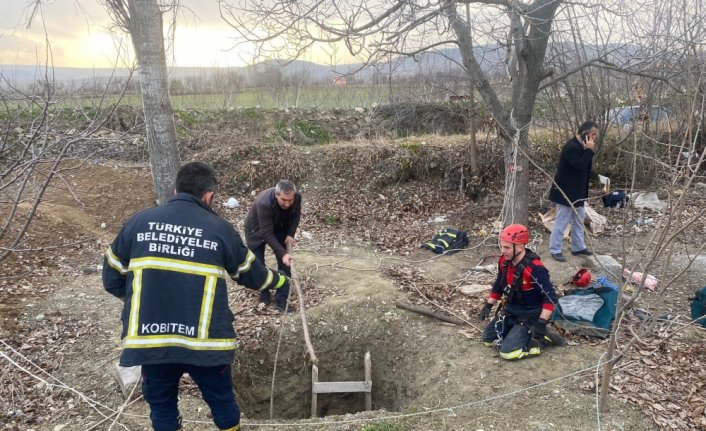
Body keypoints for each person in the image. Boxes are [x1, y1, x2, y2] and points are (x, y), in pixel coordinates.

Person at [103, 162, 289, 431]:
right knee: (222, 403)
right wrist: (281, 280)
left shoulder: (138, 223)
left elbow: (111, 279)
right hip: (206, 343)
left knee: (162, 406)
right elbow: (251, 275)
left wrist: (146, 299)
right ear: (209, 195)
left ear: (175, 190)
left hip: (153, 341)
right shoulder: (219, 229)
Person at [478, 224, 559, 360]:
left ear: (520, 246)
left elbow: (550, 298)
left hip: (530, 315)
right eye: (502, 246)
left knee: (508, 353)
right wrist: (488, 305)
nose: (503, 251)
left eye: (507, 247)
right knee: (487, 339)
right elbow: (499, 283)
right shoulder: (504, 261)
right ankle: (517, 332)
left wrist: (541, 323)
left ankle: (540, 339)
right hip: (511, 311)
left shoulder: (535, 269)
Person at [244, 180, 302, 313]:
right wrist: (283, 253)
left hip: (278, 226)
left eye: (290, 200)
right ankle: (264, 294)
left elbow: (296, 216)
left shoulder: (297, 196)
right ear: (276, 195)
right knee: (258, 264)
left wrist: (290, 234)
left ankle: (281, 301)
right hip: (255, 230)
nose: (287, 204)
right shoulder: (264, 202)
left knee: (285, 264)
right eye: (284, 200)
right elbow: (266, 233)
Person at [547, 120, 599, 262]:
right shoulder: (571, 147)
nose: (594, 138)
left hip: (578, 192)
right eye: (593, 134)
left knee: (579, 220)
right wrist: (589, 151)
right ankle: (555, 249)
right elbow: (579, 165)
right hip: (566, 192)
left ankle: (577, 246)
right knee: (562, 221)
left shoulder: (582, 146)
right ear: (585, 133)